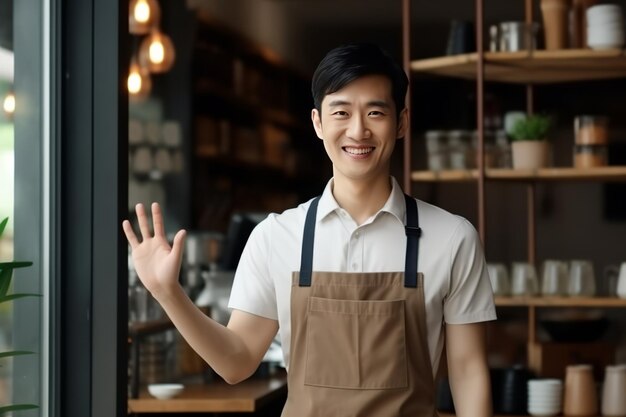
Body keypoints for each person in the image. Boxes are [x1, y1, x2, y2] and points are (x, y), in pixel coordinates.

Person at [123, 42, 496, 417]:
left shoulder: (452, 238)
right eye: (341, 112)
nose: (358, 130)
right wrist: (167, 292)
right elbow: (236, 363)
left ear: (401, 123)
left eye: (375, 112)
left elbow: (467, 372)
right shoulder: (276, 237)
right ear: (318, 123)